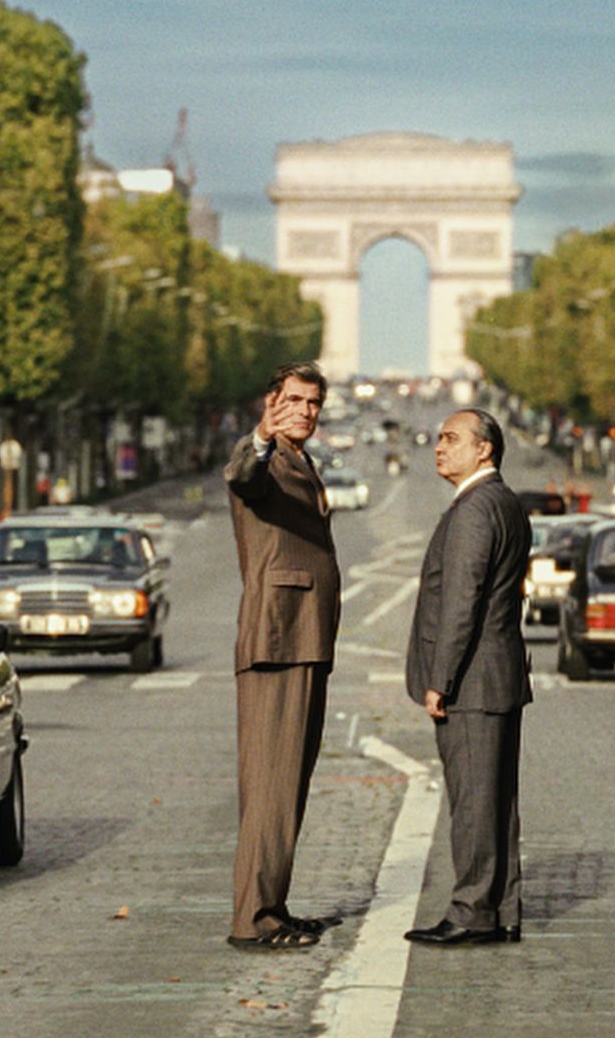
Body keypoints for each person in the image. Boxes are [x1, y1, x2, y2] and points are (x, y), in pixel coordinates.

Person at [222, 362, 343, 950]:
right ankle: (253, 919)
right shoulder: (263, 457)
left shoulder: (302, 460)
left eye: (313, 402)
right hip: (278, 637)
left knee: (286, 783)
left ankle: (273, 904)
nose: (305, 410)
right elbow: (244, 475)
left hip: (303, 637)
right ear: (270, 404)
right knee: (271, 784)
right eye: (293, 400)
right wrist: (262, 439)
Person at [404, 409, 531, 947]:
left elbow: (461, 603)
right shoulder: (505, 502)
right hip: (497, 674)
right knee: (496, 803)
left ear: (485, 450)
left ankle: (472, 911)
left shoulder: (474, 510)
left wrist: (441, 679)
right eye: (438, 439)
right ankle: (500, 909)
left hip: (473, 681)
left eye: (452, 439)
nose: (439, 448)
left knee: (474, 804)